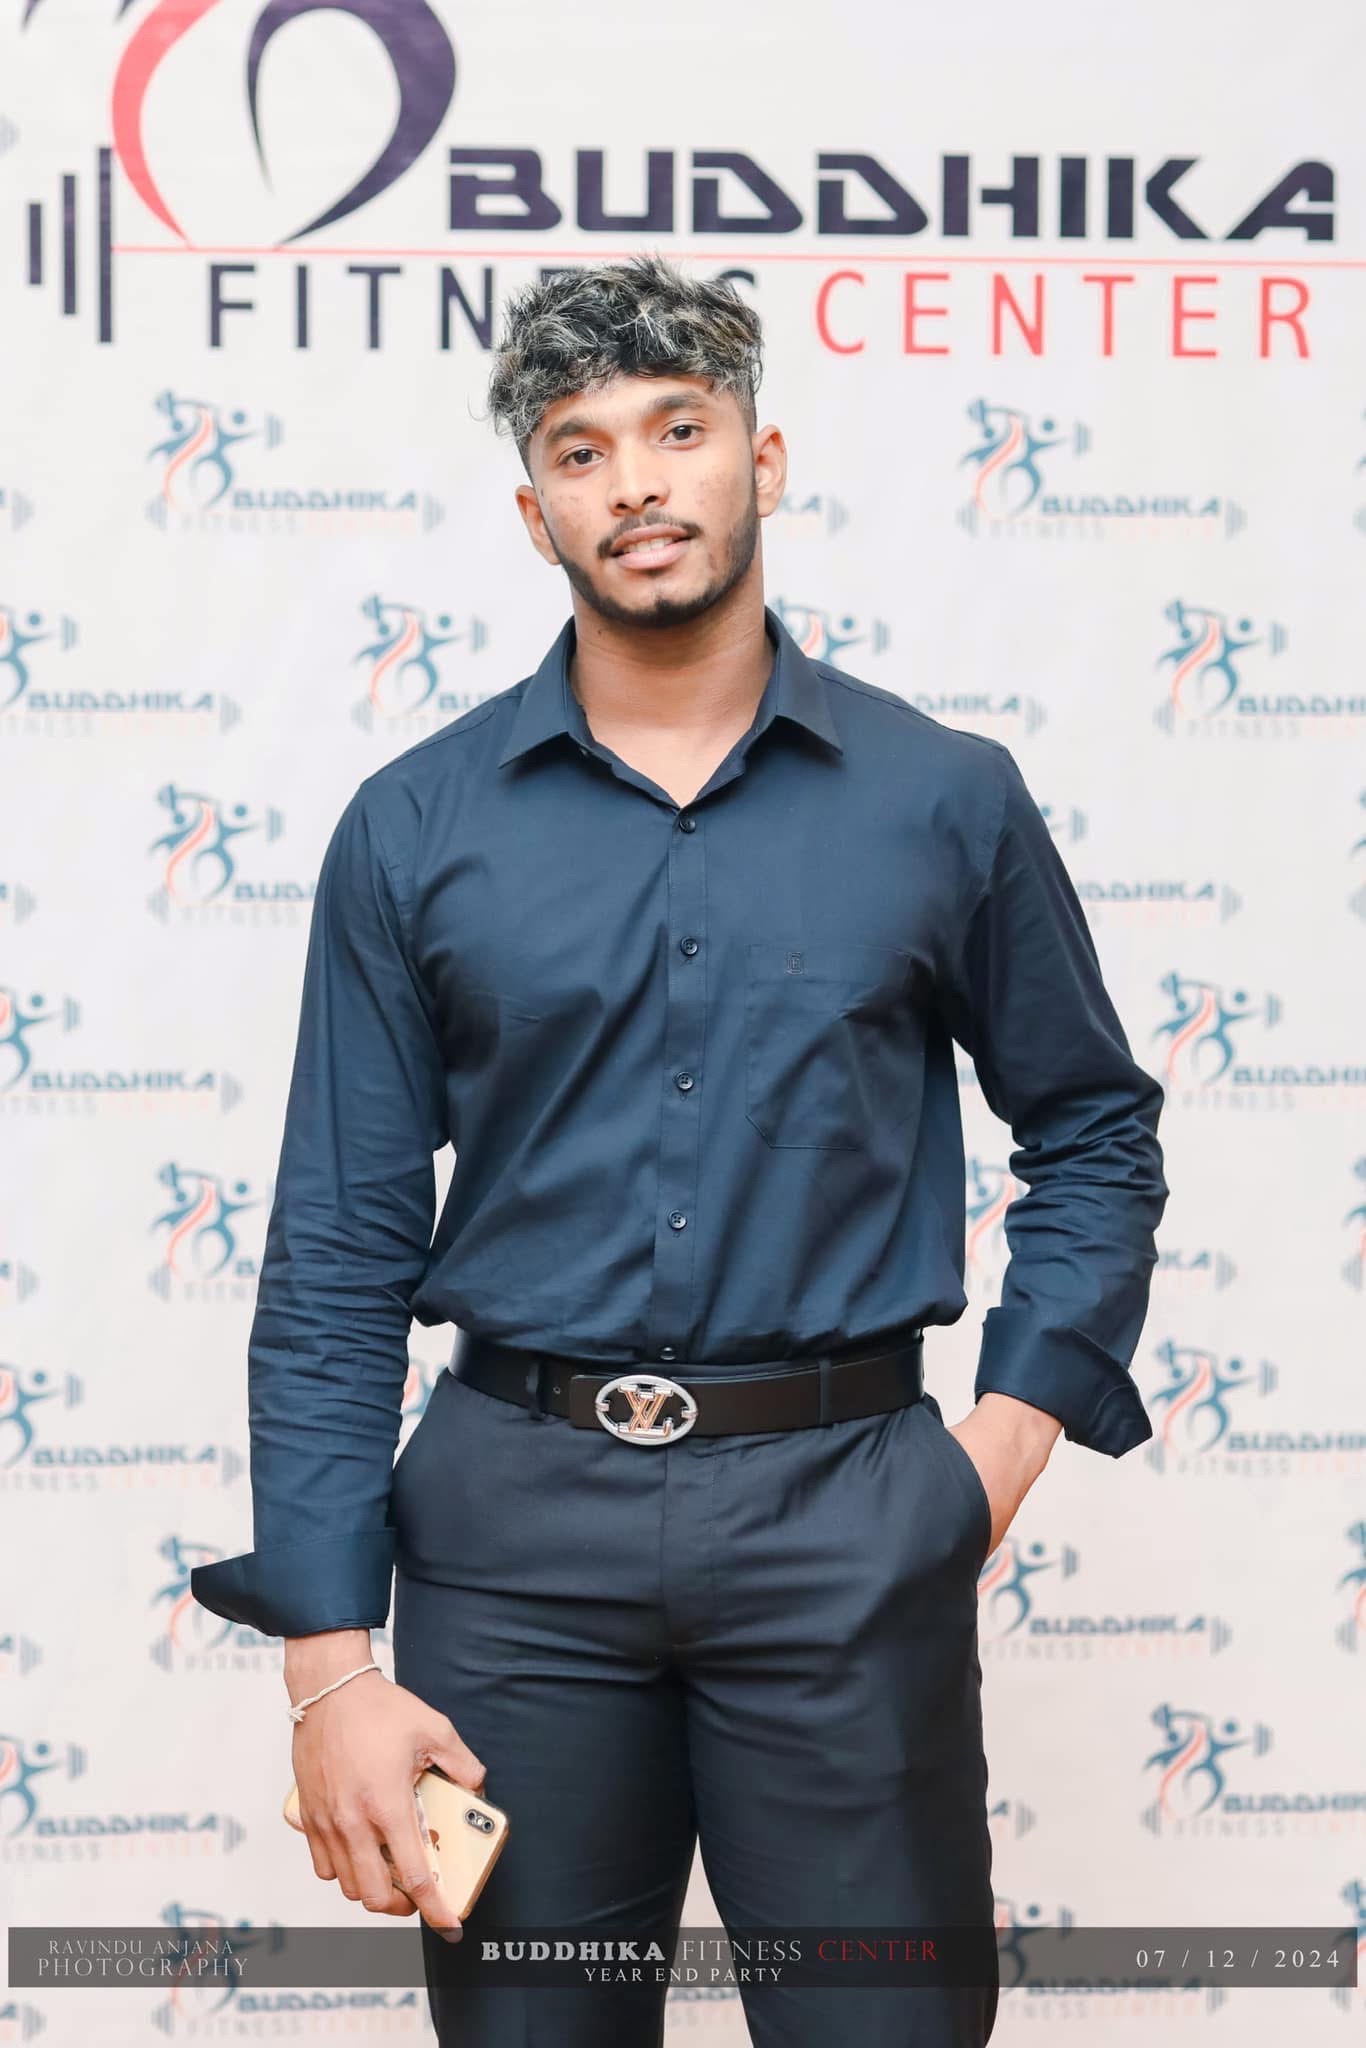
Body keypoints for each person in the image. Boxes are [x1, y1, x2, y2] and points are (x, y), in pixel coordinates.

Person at [191, 252, 1168, 2046]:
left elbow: (1093, 1126)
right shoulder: (410, 829)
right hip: (507, 1553)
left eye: (677, 429)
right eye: (580, 450)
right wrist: (330, 1668)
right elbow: (336, 1247)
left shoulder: (942, 798)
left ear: (760, 460)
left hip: (849, 1520)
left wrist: (999, 1447)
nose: (634, 482)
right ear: (535, 511)